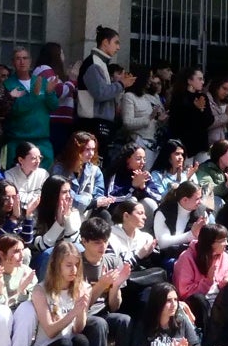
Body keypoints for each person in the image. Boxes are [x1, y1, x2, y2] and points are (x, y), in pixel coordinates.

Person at [77, 216, 138, 346]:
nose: (102, 247)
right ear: (84, 241)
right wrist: (100, 286)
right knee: (100, 323)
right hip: (81, 317)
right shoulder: (76, 265)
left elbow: (114, 306)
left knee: (124, 320)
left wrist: (115, 287)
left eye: (105, 241)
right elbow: (80, 306)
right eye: (96, 243)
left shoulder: (112, 260)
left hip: (103, 315)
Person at [75, 26, 133, 158]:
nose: (118, 47)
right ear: (105, 42)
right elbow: (100, 93)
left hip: (100, 122)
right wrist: (121, 84)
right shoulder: (94, 63)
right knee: (92, 163)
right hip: (93, 123)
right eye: (116, 42)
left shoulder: (100, 62)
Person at [2, 47, 58, 168]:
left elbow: (53, 106)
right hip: (18, 142)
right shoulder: (8, 84)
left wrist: (49, 93)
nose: (22, 62)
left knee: (43, 182)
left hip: (42, 142)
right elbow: (13, 110)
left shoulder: (41, 82)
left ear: (30, 61)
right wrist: (34, 95)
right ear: (13, 62)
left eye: (25, 58)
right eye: (18, 58)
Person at [173, 223, 228, 322]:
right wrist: (208, 281)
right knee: (200, 300)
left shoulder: (225, 257)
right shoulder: (187, 258)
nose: (226, 243)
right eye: (223, 240)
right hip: (198, 306)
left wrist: (227, 282)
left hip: (219, 301)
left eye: (226, 239)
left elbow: (224, 285)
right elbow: (185, 293)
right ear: (210, 243)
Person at [31, 175, 82, 278]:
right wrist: (58, 223)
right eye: (64, 192)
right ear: (52, 194)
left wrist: (67, 219)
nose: (68, 196)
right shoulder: (35, 214)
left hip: (66, 258)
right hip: (42, 259)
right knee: (49, 253)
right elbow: (42, 246)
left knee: (79, 249)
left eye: (69, 191)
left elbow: (72, 244)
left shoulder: (74, 213)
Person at [53, 131, 112, 215]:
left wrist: (103, 201)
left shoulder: (95, 171)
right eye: (87, 149)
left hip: (84, 215)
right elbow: (65, 196)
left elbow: (98, 193)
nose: (91, 153)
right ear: (75, 150)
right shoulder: (59, 169)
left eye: (93, 149)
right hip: (62, 212)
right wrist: (91, 203)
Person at [168, 67, 213, 163]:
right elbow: (178, 122)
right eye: (199, 79)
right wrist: (194, 108)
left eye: (203, 79)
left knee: (204, 172)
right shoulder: (178, 98)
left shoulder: (202, 97)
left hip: (201, 144)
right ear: (189, 80)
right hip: (185, 145)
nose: (203, 82)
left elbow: (209, 120)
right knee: (186, 174)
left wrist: (201, 110)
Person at [152, 181, 209, 253]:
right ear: (185, 200)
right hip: (170, 256)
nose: (200, 202)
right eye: (197, 199)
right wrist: (191, 234)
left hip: (194, 254)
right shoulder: (163, 212)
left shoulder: (201, 212)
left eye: (200, 198)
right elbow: (162, 243)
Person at [106, 143, 159, 221]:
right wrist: (133, 186)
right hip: (117, 215)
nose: (142, 162)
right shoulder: (115, 174)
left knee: (149, 203)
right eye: (138, 159)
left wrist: (143, 187)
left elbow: (158, 197)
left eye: (144, 159)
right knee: (132, 200)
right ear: (127, 159)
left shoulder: (145, 176)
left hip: (138, 219)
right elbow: (110, 198)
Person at [3, 141, 49, 212]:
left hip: (39, 212)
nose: (38, 161)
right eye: (33, 158)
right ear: (21, 160)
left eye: (39, 157)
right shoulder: (9, 175)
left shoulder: (43, 174)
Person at [204, 75, 228, 151]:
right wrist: (226, 114)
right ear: (216, 86)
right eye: (224, 88)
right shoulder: (207, 100)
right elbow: (208, 123)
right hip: (212, 142)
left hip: (227, 139)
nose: (226, 92)